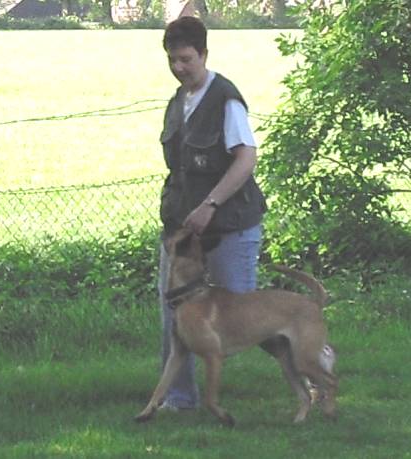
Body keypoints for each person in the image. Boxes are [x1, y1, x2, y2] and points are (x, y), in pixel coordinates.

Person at [157, 16, 267, 410]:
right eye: (172, 60)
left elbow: (246, 159)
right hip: (183, 231)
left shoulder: (225, 99)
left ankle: (313, 357)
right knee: (176, 314)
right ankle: (178, 399)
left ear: (204, 54)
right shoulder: (177, 102)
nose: (179, 67)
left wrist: (210, 205)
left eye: (186, 59)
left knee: (247, 316)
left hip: (229, 226)